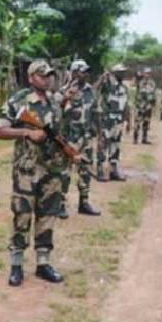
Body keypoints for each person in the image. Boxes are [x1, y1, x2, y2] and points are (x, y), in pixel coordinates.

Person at [0, 60, 66, 287]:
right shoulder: (19, 101)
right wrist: (26, 132)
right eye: (42, 75)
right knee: (22, 215)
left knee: (48, 216)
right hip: (27, 170)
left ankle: (43, 264)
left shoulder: (55, 101)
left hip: (52, 169)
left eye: (50, 75)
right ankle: (16, 266)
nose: (47, 79)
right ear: (31, 77)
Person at [59, 60, 100, 218]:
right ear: (75, 72)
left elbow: (96, 111)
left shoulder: (91, 91)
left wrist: (100, 134)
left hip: (86, 138)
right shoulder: (64, 91)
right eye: (83, 71)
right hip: (69, 137)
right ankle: (60, 204)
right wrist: (65, 98)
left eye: (87, 71)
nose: (86, 74)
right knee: (64, 172)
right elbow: (57, 113)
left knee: (86, 170)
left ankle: (84, 202)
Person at [96, 64, 131, 182]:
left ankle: (113, 170)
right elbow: (94, 89)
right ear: (114, 73)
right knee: (103, 145)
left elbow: (126, 105)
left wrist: (128, 121)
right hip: (107, 120)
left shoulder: (124, 88)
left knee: (115, 146)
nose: (122, 74)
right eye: (120, 72)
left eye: (123, 72)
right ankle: (100, 169)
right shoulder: (107, 86)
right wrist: (102, 78)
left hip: (119, 120)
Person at [132, 67, 157, 145]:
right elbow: (134, 83)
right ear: (143, 73)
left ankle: (144, 139)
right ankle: (135, 139)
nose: (147, 75)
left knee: (146, 122)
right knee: (137, 122)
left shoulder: (152, 83)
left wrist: (153, 103)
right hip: (139, 105)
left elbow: (152, 93)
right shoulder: (139, 81)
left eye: (149, 73)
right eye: (146, 73)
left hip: (147, 106)